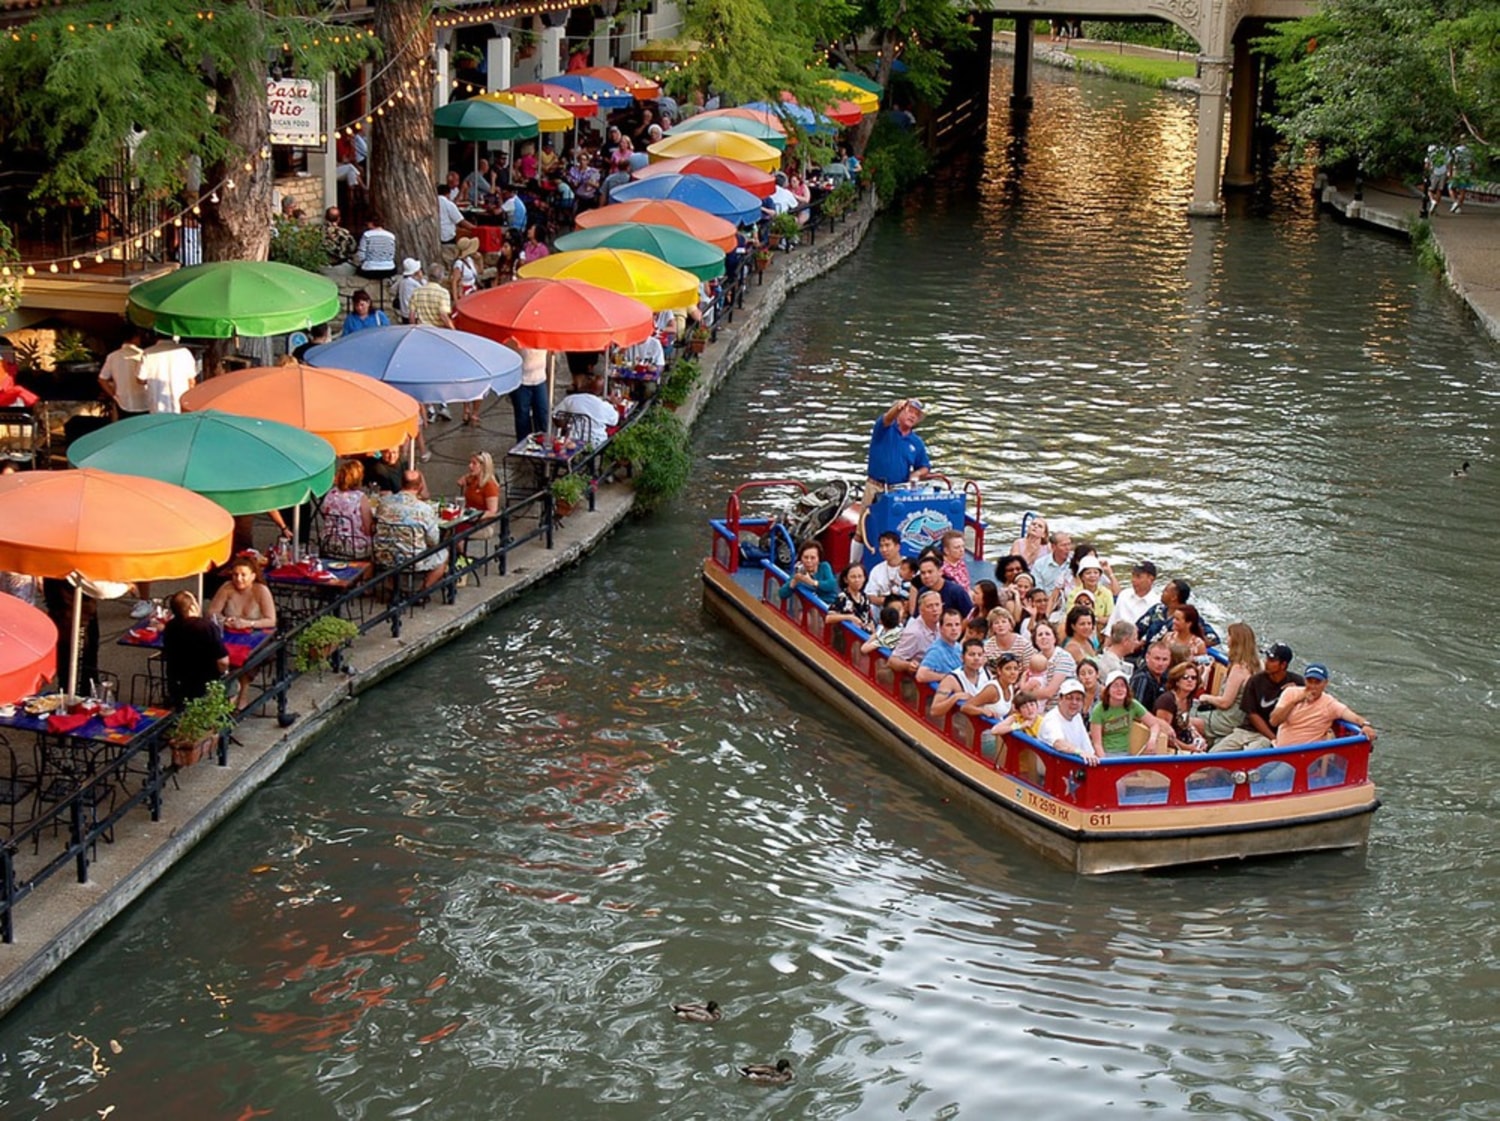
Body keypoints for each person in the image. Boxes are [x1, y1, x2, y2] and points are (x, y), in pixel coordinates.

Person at [206, 553, 278, 708]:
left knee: (248, 659)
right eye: (236, 575)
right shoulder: (226, 588)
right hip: (229, 634)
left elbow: (271, 620)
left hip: (256, 635)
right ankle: (225, 692)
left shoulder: (261, 590)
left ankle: (242, 691)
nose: (238, 579)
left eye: (243, 575)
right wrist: (225, 621)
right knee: (217, 656)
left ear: (253, 576)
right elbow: (212, 612)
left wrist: (248, 623)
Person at [1213, 642, 1304, 752]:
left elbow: (1309, 703)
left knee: (1249, 755)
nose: (1266, 663)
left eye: (1271, 660)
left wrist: (1296, 693)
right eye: (1266, 659)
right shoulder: (1255, 681)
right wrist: (1274, 739)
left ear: (1283, 665)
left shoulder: (1297, 683)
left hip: (1268, 737)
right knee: (1214, 753)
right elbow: (1252, 714)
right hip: (1247, 731)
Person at [1270, 663, 1377, 747]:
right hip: (1279, 750)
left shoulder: (1329, 704)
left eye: (1317, 682)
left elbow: (1352, 716)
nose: (1313, 686)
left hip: (1304, 756)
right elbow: (1274, 721)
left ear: (1325, 683)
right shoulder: (1290, 693)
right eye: (1309, 681)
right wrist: (1296, 701)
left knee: (1275, 774)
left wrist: (1365, 725)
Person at [374, 470, 447, 592]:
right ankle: (422, 591)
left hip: (384, 556)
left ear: (401, 483)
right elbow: (433, 541)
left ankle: (393, 588)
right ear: (420, 486)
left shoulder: (384, 503)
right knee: (444, 553)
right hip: (412, 560)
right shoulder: (424, 509)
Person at [1195, 621, 1260, 746]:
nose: (1227, 638)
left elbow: (1225, 703)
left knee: (1185, 718)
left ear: (1235, 640)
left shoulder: (1239, 669)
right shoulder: (1257, 665)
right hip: (1241, 716)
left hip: (1230, 719)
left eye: (1229, 635)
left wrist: (1206, 697)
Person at [161, 590, 228, 708]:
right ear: (192, 608)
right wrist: (224, 673)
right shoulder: (207, 627)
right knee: (234, 685)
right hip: (206, 684)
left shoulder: (170, 626)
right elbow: (222, 661)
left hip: (177, 684)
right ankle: (222, 718)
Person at [864, 397, 930, 501]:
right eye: (910, 411)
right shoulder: (884, 429)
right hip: (875, 488)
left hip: (899, 492)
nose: (913, 416)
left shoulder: (916, 442)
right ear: (900, 412)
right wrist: (897, 408)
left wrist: (916, 474)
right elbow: (887, 418)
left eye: (916, 414)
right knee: (867, 516)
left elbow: (925, 466)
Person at [1090, 670, 1163, 757]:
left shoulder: (1132, 704)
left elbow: (1154, 724)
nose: (1119, 689)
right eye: (1115, 686)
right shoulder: (1099, 710)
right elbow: (1097, 744)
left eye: (1123, 686)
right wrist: (1106, 763)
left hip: (1126, 754)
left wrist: (1152, 740)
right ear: (1108, 690)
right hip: (1106, 754)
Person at [319, 458, 374, 560]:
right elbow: (368, 529)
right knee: (375, 544)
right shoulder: (360, 497)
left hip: (329, 543)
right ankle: (367, 575)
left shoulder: (330, 494)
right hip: (352, 546)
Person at [929, 638, 998, 719]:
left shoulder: (987, 673)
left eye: (980, 655)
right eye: (971, 654)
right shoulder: (951, 679)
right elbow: (934, 711)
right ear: (962, 657)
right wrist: (955, 698)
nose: (976, 658)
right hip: (962, 726)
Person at [1153, 662, 1207, 753]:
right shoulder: (1167, 701)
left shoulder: (1187, 698)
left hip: (1184, 742)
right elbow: (1165, 736)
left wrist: (1198, 737)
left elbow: (1186, 722)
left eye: (1193, 678)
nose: (1190, 680)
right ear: (1177, 681)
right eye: (1185, 677)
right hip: (1168, 749)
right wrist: (1189, 748)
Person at [554, 372, 620, 446]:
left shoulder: (571, 399)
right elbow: (614, 421)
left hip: (574, 442)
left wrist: (565, 426)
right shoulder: (604, 406)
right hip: (596, 444)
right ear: (602, 392)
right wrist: (614, 403)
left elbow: (555, 415)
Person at [97, 327, 149, 419]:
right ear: (135, 337)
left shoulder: (112, 357)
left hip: (123, 402)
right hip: (144, 401)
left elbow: (102, 379)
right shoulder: (144, 355)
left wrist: (113, 395)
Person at [1039, 679, 1096, 763]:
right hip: (1052, 769)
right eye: (1069, 698)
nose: (1074, 702)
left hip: (1072, 767)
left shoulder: (1077, 716)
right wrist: (1079, 752)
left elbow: (1088, 749)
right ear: (1060, 699)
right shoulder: (1051, 719)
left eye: (1078, 699)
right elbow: (1058, 743)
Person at [138, 334, 197, 414]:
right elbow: (191, 381)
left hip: (157, 403)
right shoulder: (185, 352)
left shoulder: (148, 352)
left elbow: (140, 379)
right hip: (180, 402)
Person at [888, 588, 942, 675]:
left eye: (937, 605)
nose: (935, 609)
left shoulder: (941, 625)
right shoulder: (914, 633)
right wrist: (908, 665)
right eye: (929, 606)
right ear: (921, 610)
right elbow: (892, 661)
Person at [508, 341, 550, 445]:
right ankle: (523, 445)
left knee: (542, 414)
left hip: (540, 380)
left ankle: (542, 443)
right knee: (522, 417)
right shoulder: (517, 339)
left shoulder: (545, 339)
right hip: (521, 382)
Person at [457, 451, 502, 542]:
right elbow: (459, 481)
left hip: (482, 525)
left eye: (474, 463)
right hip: (467, 519)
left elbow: (492, 511)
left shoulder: (490, 485)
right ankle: (454, 554)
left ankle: (459, 555)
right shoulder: (473, 479)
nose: (470, 466)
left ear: (483, 466)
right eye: (470, 463)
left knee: (455, 533)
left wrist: (476, 516)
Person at [916, 608, 967, 684]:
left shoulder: (958, 647)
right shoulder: (936, 651)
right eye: (949, 625)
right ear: (941, 628)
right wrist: (948, 677)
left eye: (957, 624)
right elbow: (921, 675)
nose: (954, 629)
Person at [779, 540, 838, 604]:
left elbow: (831, 584)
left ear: (818, 559)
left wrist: (811, 582)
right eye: (805, 557)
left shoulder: (824, 566)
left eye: (813, 558)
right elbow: (782, 594)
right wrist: (794, 581)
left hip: (829, 605)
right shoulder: (799, 573)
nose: (809, 561)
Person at [1109, 560, 1160, 633]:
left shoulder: (1157, 604)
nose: (1133, 580)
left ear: (1151, 579)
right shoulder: (1124, 595)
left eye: (1138, 577)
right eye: (1133, 575)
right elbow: (1111, 623)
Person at [826, 562, 875, 631]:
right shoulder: (843, 597)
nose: (857, 580)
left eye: (860, 576)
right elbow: (829, 618)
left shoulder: (865, 597)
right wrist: (849, 617)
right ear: (846, 579)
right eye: (853, 577)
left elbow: (870, 621)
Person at [1028, 529, 1073, 602]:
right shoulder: (1040, 564)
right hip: (1046, 601)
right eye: (1064, 545)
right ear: (1053, 547)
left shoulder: (1075, 562)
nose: (1068, 548)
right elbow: (1037, 589)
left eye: (1069, 544)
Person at [1130, 639, 1172, 712]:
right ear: (1147, 657)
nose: (1160, 663)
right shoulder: (1142, 678)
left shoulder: (1166, 677)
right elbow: (1136, 711)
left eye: (1165, 659)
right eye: (1157, 658)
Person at [408, 262, 453, 328]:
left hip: (422, 329)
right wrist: (453, 329)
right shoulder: (443, 293)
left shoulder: (416, 292)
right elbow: (443, 315)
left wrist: (413, 328)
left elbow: (412, 315)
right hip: (438, 329)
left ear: (428, 276)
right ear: (441, 278)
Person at [865, 531, 906, 601]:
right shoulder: (876, 570)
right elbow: (871, 595)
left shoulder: (911, 564)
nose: (884, 550)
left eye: (887, 545)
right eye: (881, 546)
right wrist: (888, 602)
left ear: (897, 547)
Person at [449, 236, 481, 302]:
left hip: (473, 289)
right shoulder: (459, 264)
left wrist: (480, 260)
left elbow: (480, 271)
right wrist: (456, 300)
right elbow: (454, 282)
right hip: (464, 292)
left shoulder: (470, 260)